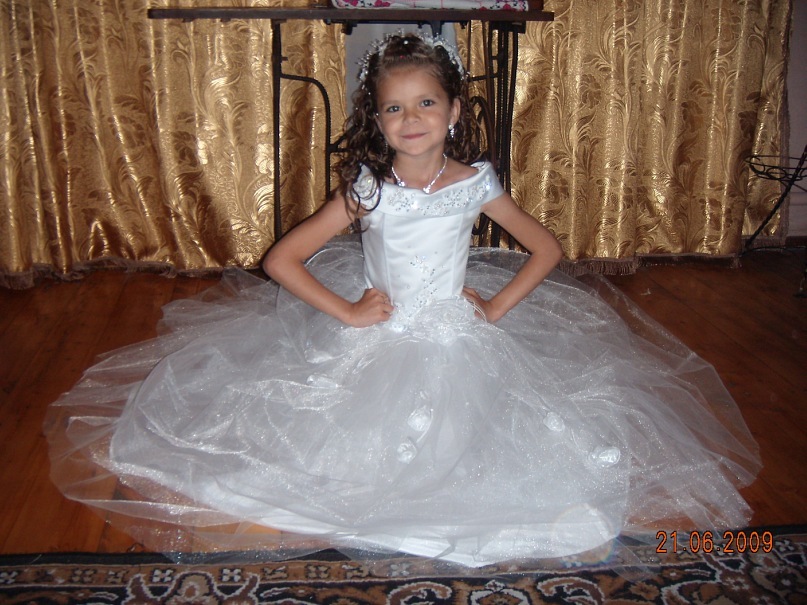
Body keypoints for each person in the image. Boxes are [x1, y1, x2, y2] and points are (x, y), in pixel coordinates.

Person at [45, 32, 760, 568]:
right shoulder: (369, 188)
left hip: (454, 333)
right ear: (378, 120)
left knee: (477, 447)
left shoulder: (476, 183)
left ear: (452, 111)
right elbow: (280, 260)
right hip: (378, 336)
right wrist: (349, 312)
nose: (410, 118)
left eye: (425, 103)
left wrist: (494, 310)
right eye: (394, 107)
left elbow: (545, 249)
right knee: (342, 449)